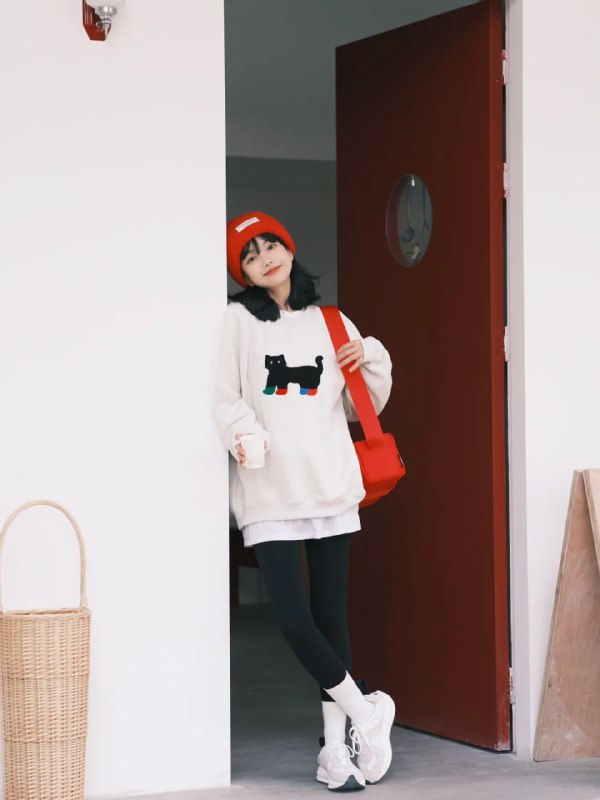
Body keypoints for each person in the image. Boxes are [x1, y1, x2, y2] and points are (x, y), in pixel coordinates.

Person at [212, 211, 395, 791]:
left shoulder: (331, 322)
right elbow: (226, 397)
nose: (264, 257)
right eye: (250, 255)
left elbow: (360, 407)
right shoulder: (239, 321)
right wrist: (244, 433)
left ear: (289, 250)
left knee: (331, 618)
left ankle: (335, 751)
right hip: (270, 490)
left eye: (271, 245)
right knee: (293, 619)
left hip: (330, 484)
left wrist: (367, 358)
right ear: (242, 273)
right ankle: (368, 711)